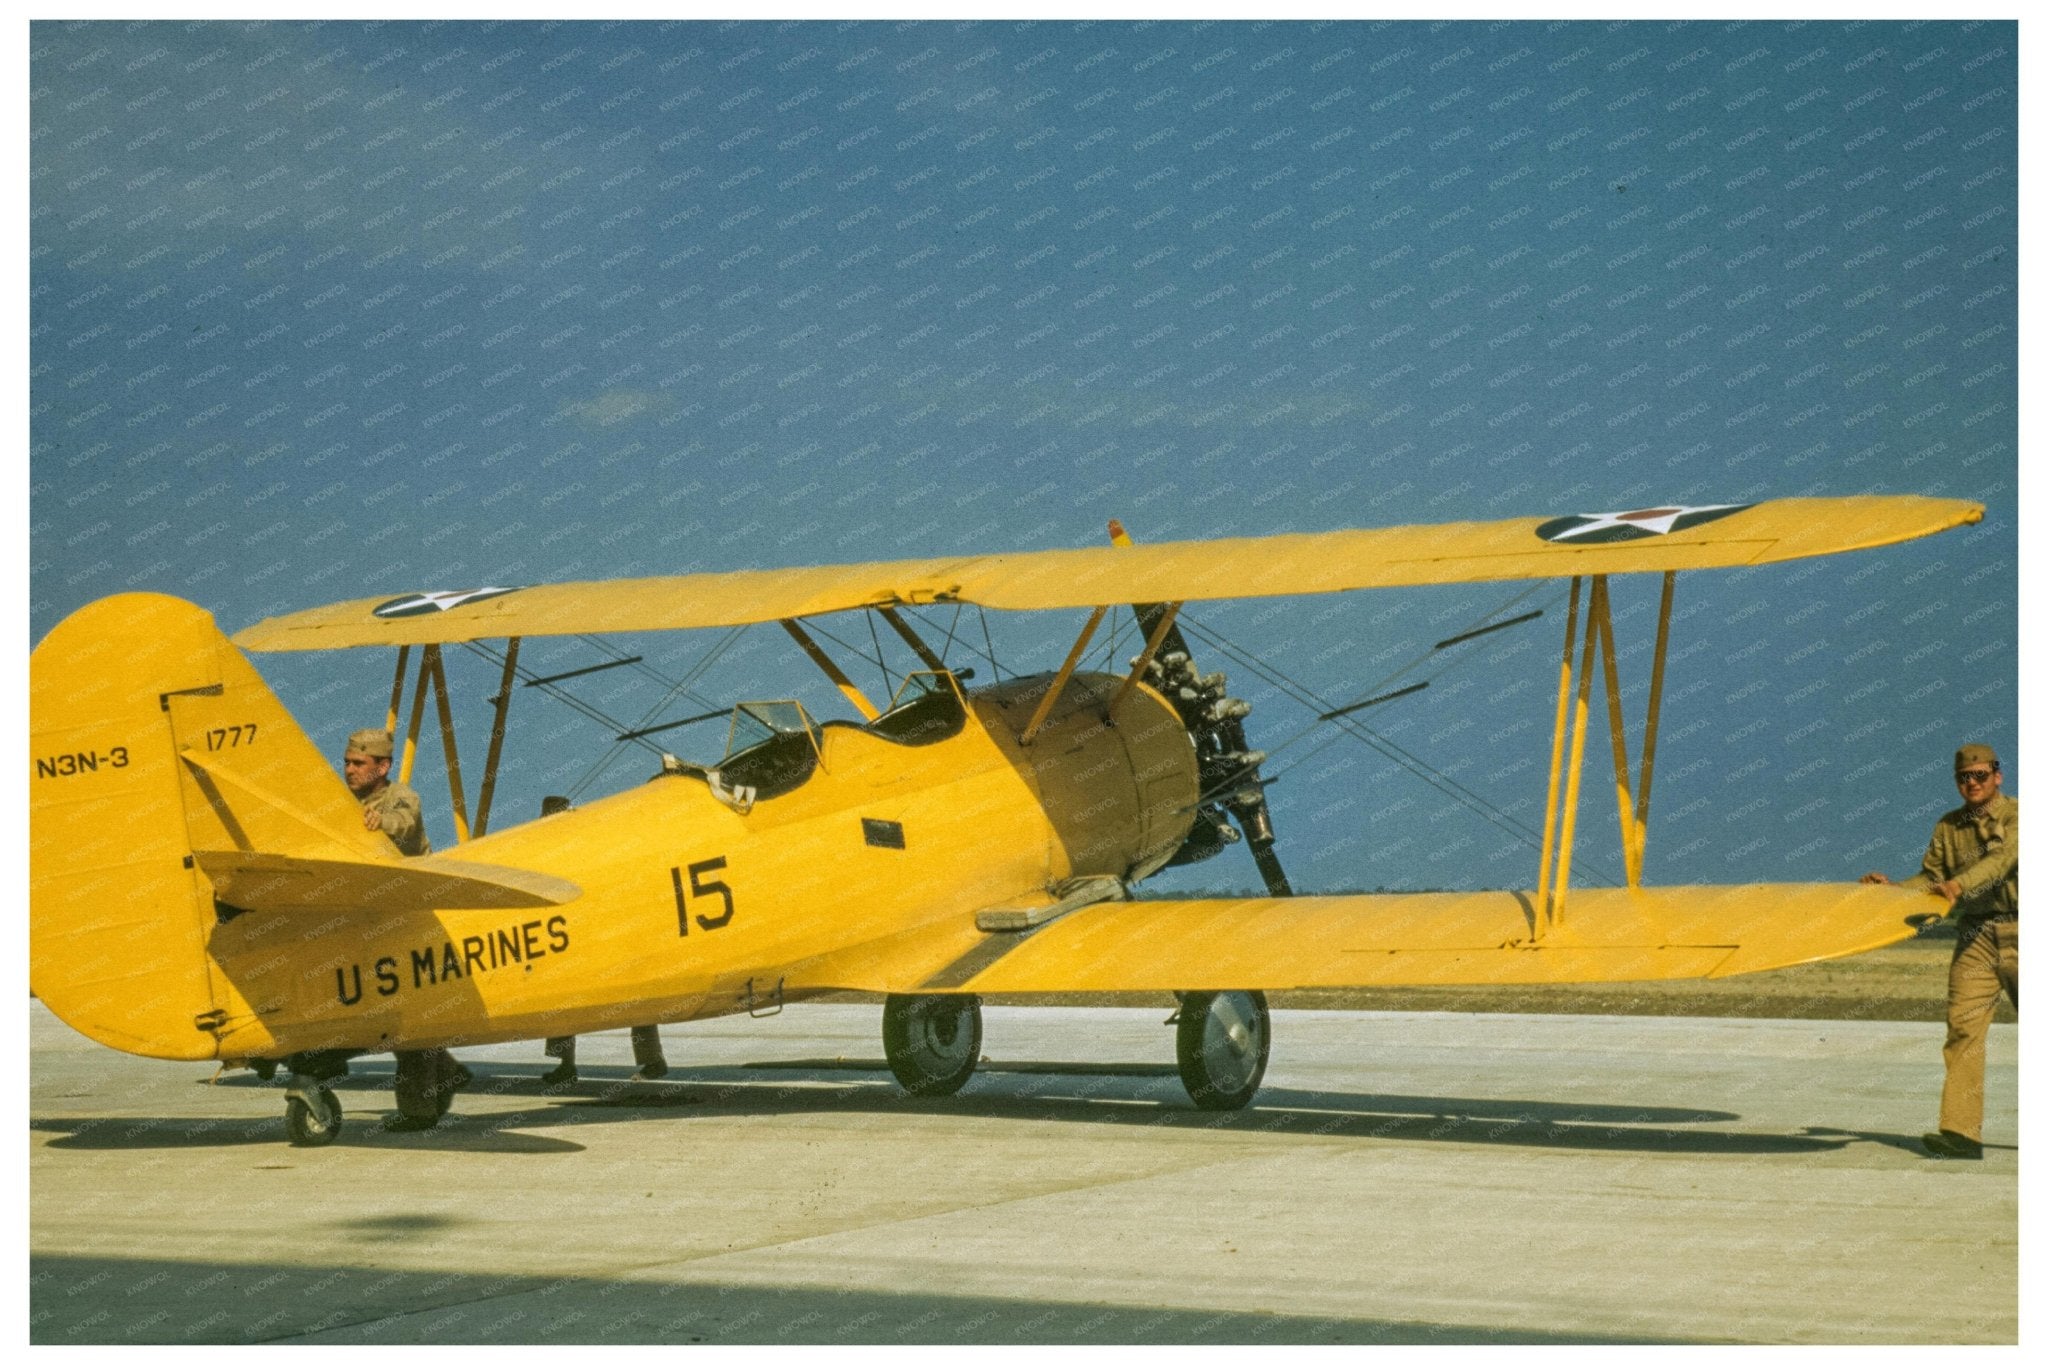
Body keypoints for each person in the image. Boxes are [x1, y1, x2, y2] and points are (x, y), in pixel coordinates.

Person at [1863, 743, 2018, 1159]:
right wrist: (1891, 892)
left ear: (1998, 777)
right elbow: (1930, 878)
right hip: (1976, 934)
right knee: (1963, 1028)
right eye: (1964, 777)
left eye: (1981, 775)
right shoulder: (1948, 828)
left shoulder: (2020, 816)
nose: (1973, 783)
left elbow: (2001, 862)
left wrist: (1959, 886)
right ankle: (1960, 1133)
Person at [341, 728, 469, 1128]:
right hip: (379, 921)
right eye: (347, 762)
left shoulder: (400, 796)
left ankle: (418, 1113)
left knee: (411, 1027)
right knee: (402, 1022)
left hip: (419, 918)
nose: (349, 770)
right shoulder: (344, 801)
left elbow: (403, 822)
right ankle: (447, 1072)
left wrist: (379, 822)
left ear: (383, 767)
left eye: (359, 764)